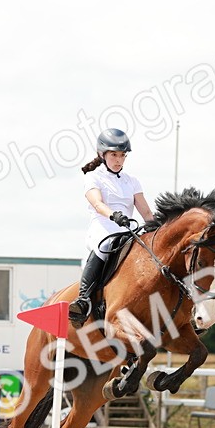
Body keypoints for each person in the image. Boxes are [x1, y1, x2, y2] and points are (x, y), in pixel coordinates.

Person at [69, 128, 154, 327]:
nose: (119, 160)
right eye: (114, 155)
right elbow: (97, 204)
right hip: (103, 227)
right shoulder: (93, 177)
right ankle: (83, 299)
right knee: (106, 246)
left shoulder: (132, 181)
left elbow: (146, 213)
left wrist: (157, 227)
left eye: (122, 155)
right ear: (102, 154)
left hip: (127, 230)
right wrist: (114, 215)